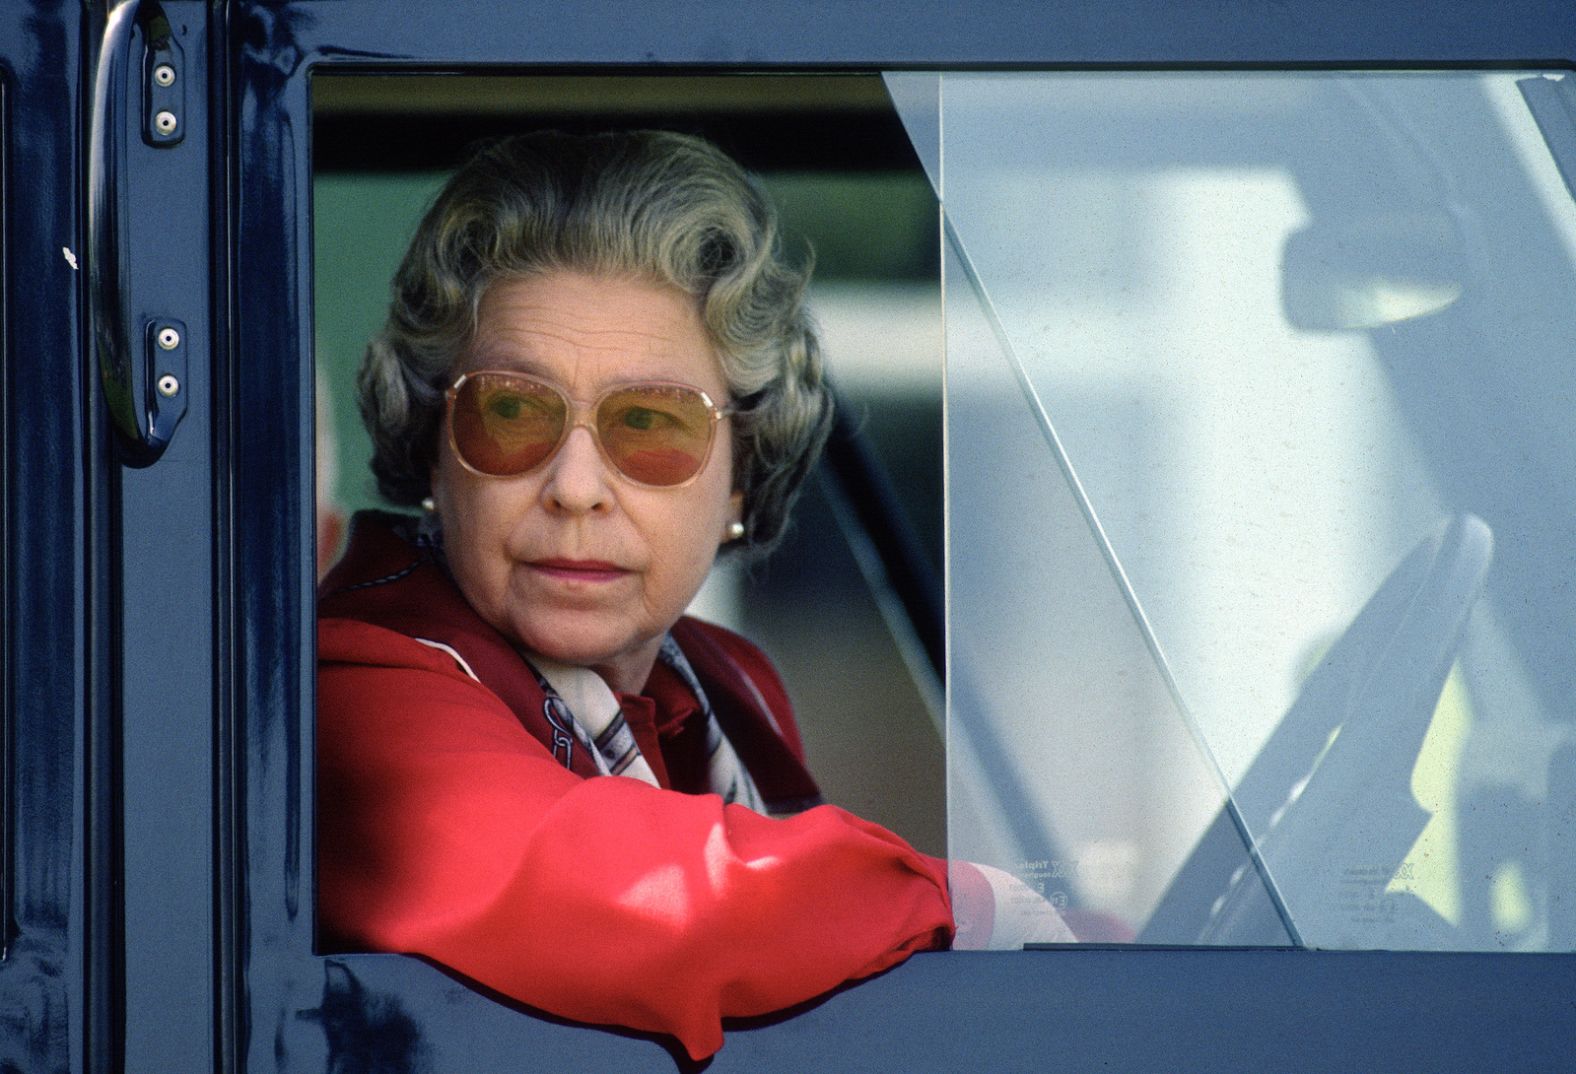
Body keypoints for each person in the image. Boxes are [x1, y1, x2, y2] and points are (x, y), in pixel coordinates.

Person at [317, 129, 1068, 1062]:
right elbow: (633, 904)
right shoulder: (353, 686)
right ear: (434, 447)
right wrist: (974, 904)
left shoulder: (723, 688)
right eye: (511, 411)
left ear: (742, 476)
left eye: (652, 424)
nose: (577, 485)